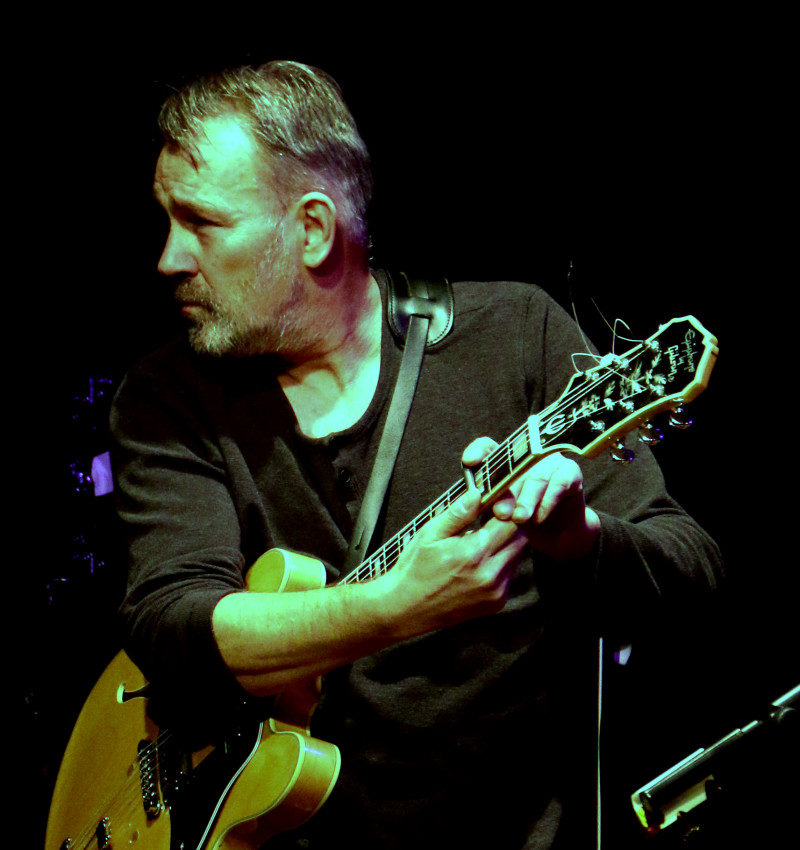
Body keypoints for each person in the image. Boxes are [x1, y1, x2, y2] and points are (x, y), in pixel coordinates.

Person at [111, 60, 723, 849]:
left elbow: (692, 571)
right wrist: (391, 608)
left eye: (202, 223)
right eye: (167, 220)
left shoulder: (515, 337)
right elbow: (170, 623)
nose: (169, 258)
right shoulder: (169, 396)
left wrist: (581, 542)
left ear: (312, 229)